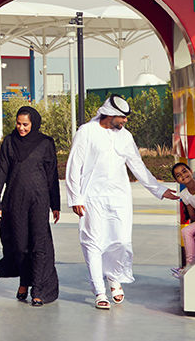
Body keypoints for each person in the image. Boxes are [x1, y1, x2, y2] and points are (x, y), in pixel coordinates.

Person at [64, 96, 177, 309]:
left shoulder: (125, 136)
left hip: (119, 197)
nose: (125, 121)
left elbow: (137, 165)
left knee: (121, 241)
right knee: (93, 242)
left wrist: (159, 190)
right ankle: (99, 291)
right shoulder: (86, 132)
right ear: (109, 114)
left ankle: (114, 277)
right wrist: (75, 197)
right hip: (92, 197)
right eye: (122, 117)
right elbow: (74, 166)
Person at [0, 105, 61, 306]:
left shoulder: (45, 143)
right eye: (18, 123)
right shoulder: (9, 142)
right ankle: (24, 281)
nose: (21, 128)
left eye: (25, 124)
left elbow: (52, 176)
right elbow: (1, 172)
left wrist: (55, 204)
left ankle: (38, 289)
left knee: (39, 245)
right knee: (20, 245)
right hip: (15, 201)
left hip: (39, 200)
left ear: (34, 124)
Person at [170, 161, 195, 278]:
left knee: (186, 231)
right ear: (177, 181)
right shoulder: (184, 194)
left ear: (191, 171)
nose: (183, 176)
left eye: (184, 171)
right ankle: (188, 264)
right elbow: (192, 215)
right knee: (188, 231)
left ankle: (190, 263)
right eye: (179, 175)